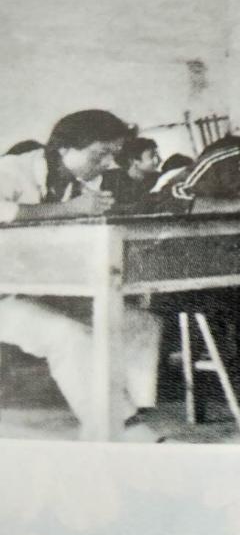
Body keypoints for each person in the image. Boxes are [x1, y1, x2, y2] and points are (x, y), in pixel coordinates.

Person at [0, 110, 163, 441]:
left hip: (39, 289)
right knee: (68, 335)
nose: (108, 163)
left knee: (139, 323)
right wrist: (71, 209)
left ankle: (117, 418)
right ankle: (123, 428)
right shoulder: (12, 169)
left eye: (113, 155)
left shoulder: (85, 182)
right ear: (64, 148)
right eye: (99, 154)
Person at [103, 137, 161, 205]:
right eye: (152, 156)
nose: (159, 160)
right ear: (135, 160)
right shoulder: (111, 178)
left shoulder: (161, 179)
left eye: (157, 156)